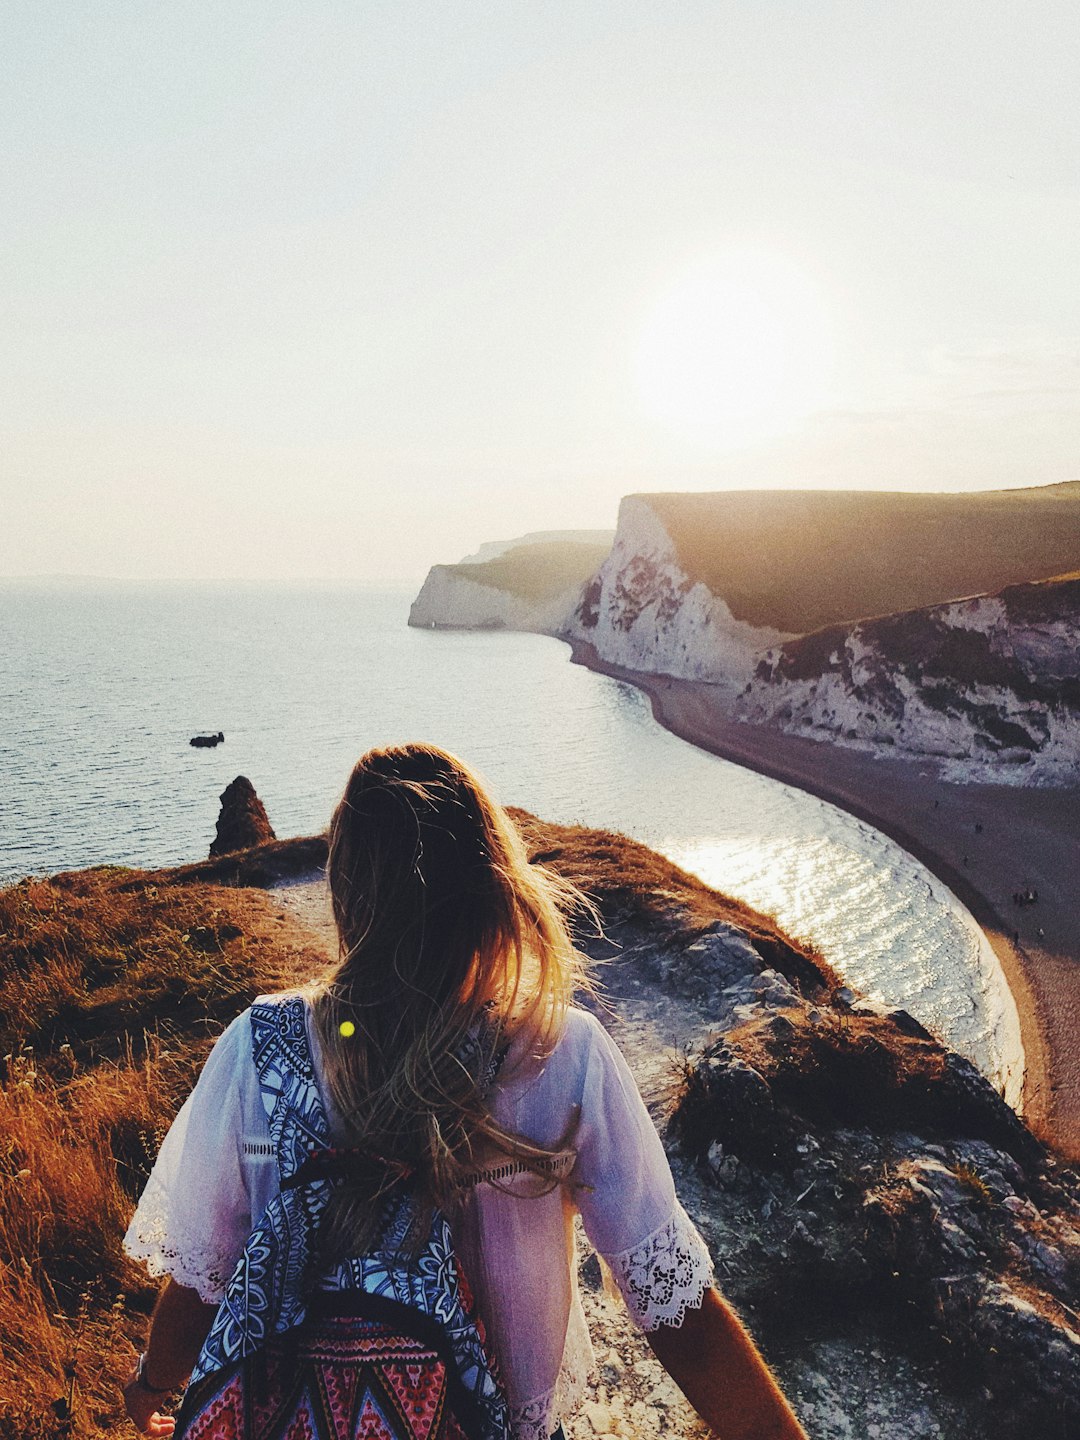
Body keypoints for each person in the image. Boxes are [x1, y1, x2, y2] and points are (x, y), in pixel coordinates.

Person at [122, 743, 809, 1440]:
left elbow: (204, 1282)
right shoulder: (563, 1057)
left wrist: (155, 1381)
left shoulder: (258, 1050)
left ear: (346, 889)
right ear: (494, 884)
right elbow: (676, 1311)